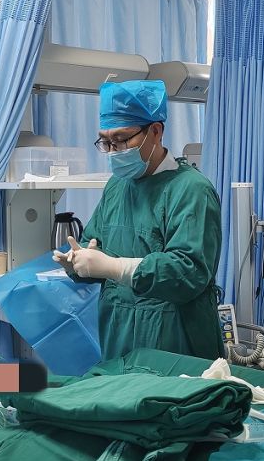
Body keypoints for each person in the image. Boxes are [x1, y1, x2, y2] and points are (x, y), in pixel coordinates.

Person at [53, 80, 223, 360]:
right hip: (119, 336)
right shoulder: (117, 186)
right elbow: (93, 243)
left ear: (155, 131)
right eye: (106, 142)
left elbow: (188, 271)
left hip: (175, 341)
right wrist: (79, 262)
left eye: (121, 140)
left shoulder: (192, 190)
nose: (113, 150)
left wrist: (114, 267)